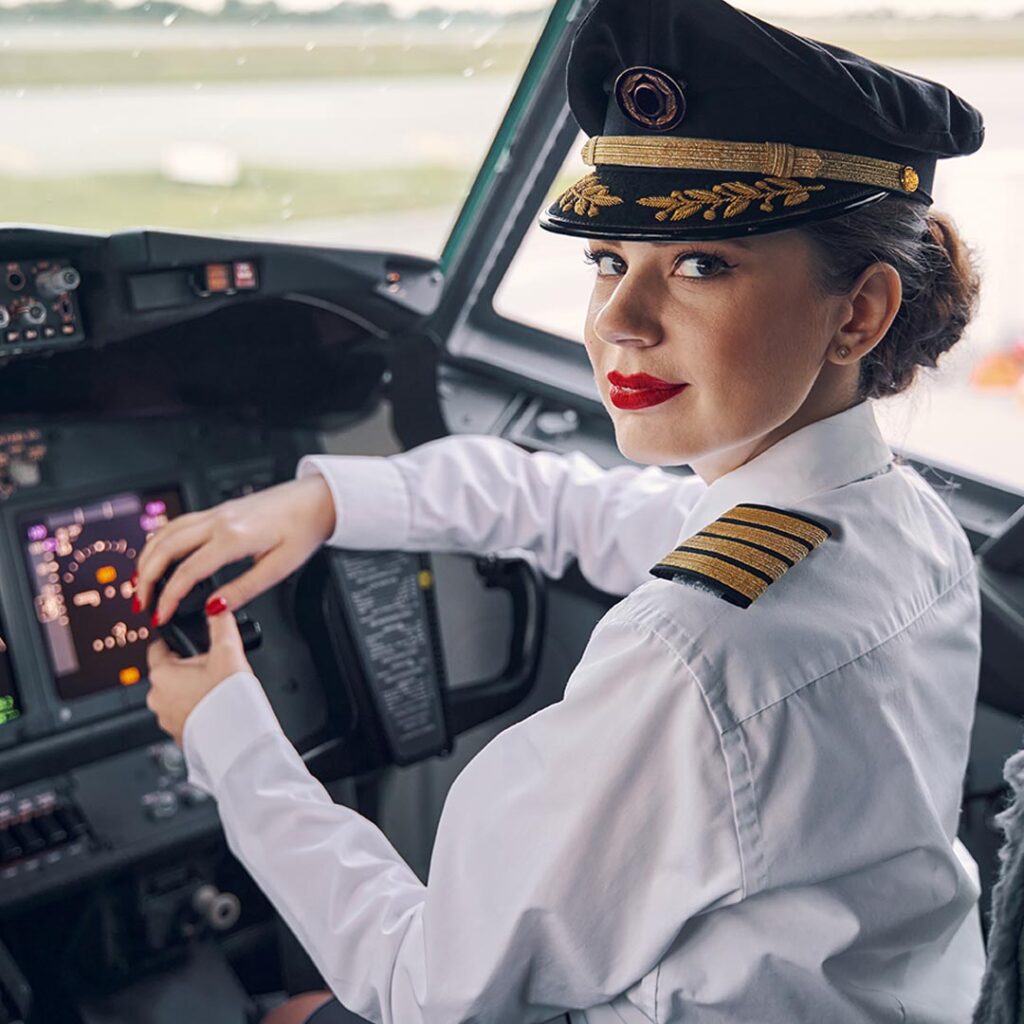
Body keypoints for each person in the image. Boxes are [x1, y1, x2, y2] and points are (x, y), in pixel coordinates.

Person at [133, 0, 989, 1020]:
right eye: (606, 261)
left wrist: (225, 730)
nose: (618, 321)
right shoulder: (894, 519)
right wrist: (327, 498)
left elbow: (427, 988)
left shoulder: (695, 649)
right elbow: (579, 505)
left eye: (699, 265)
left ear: (859, 311)